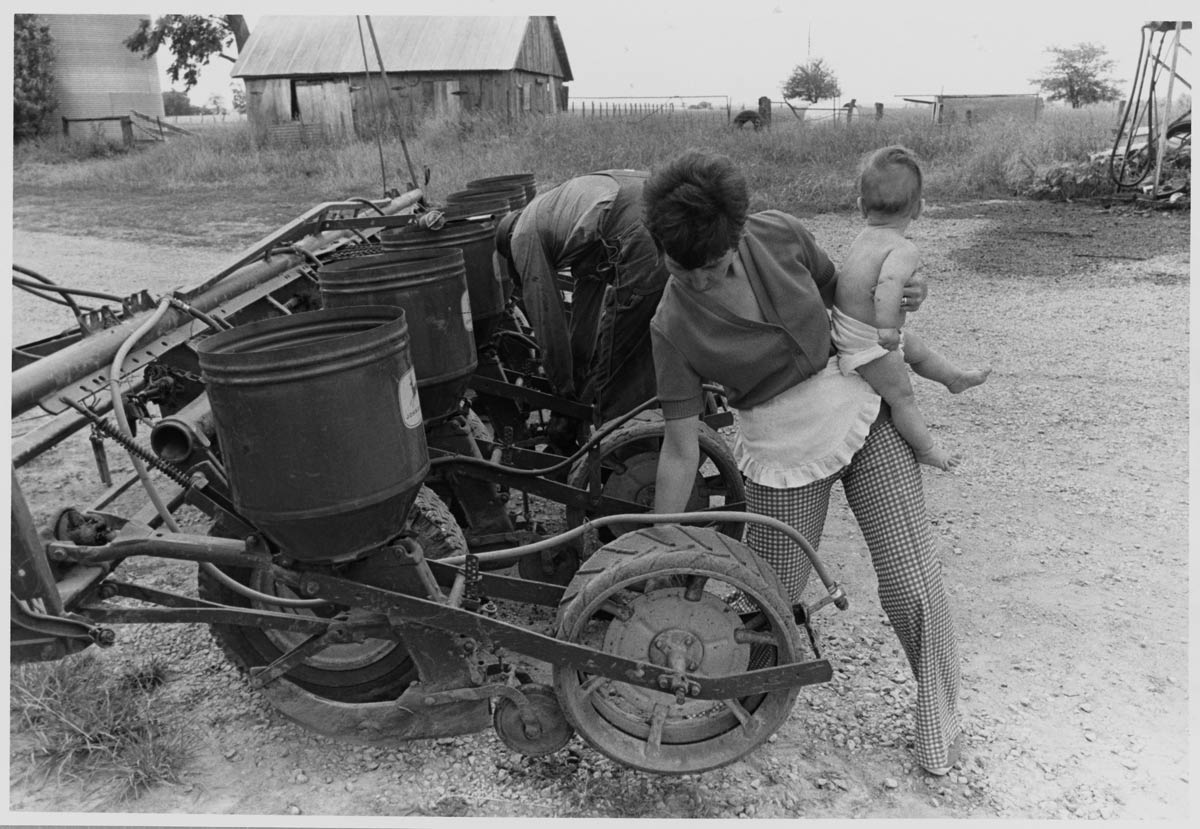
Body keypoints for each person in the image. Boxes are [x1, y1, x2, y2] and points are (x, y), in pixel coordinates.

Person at [644, 149, 962, 776]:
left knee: (909, 579)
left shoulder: (780, 233)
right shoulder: (670, 324)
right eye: (682, 269)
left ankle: (939, 726)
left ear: (737, 235)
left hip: (858, 410)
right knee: (770, 599)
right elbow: (681, 447)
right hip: (780, 449)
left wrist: (906, 293)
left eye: (713, 266)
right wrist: (657, 546)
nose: (698, 281)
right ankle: (735, 719)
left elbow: (852, 302)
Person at [833, 145, 991, 470]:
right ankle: (925, 448)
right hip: (868, 345)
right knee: (901, 395)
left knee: (916, 348)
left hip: (852, 331)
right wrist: (888, 329)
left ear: (862, 207)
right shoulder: (902, 248)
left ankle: (954, 378)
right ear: (919, 209)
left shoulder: (862, 239)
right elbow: (888, 286)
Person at [494, 170, 669, 429]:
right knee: (644, 339)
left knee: (616, 367)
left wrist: (562, 395)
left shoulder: (522, 236)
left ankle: (619, 459)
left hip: (638, 229)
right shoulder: (561, 216)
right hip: (668, 208)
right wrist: (578, 372)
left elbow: (547, 318)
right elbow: (586, 306)